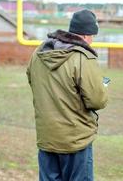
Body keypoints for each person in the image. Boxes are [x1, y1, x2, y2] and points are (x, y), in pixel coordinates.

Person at [26, 9, 108, 181]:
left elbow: (32, 80)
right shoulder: (83, 58)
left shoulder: (39, 53)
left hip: (47, 137)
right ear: (87, 35)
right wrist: (102, 88)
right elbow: (97, 101)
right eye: (92, 36)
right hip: (75, 140)